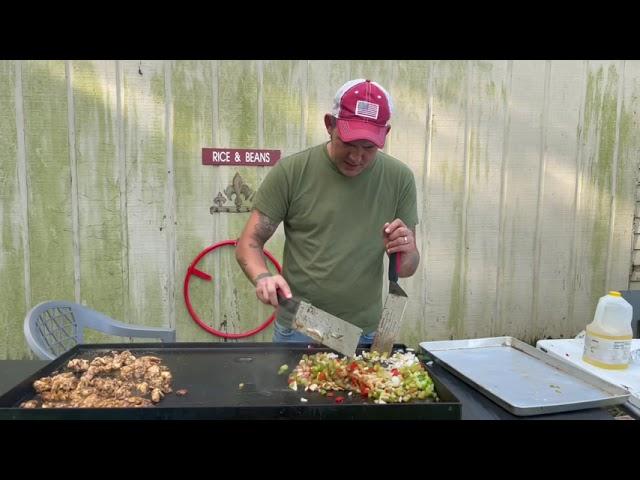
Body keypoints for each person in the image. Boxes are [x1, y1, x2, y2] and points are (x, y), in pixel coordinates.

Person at [235, 79, 420, 345]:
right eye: (349, 142)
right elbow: (248, 244)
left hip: (365, 332)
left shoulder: (399, 178)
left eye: (369, 147)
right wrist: (263, 277)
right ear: (329, 124)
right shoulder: (292, 172)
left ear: (385, 134)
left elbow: (407, 268)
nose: (357, 157)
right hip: (300, 326)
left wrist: (408, 249)